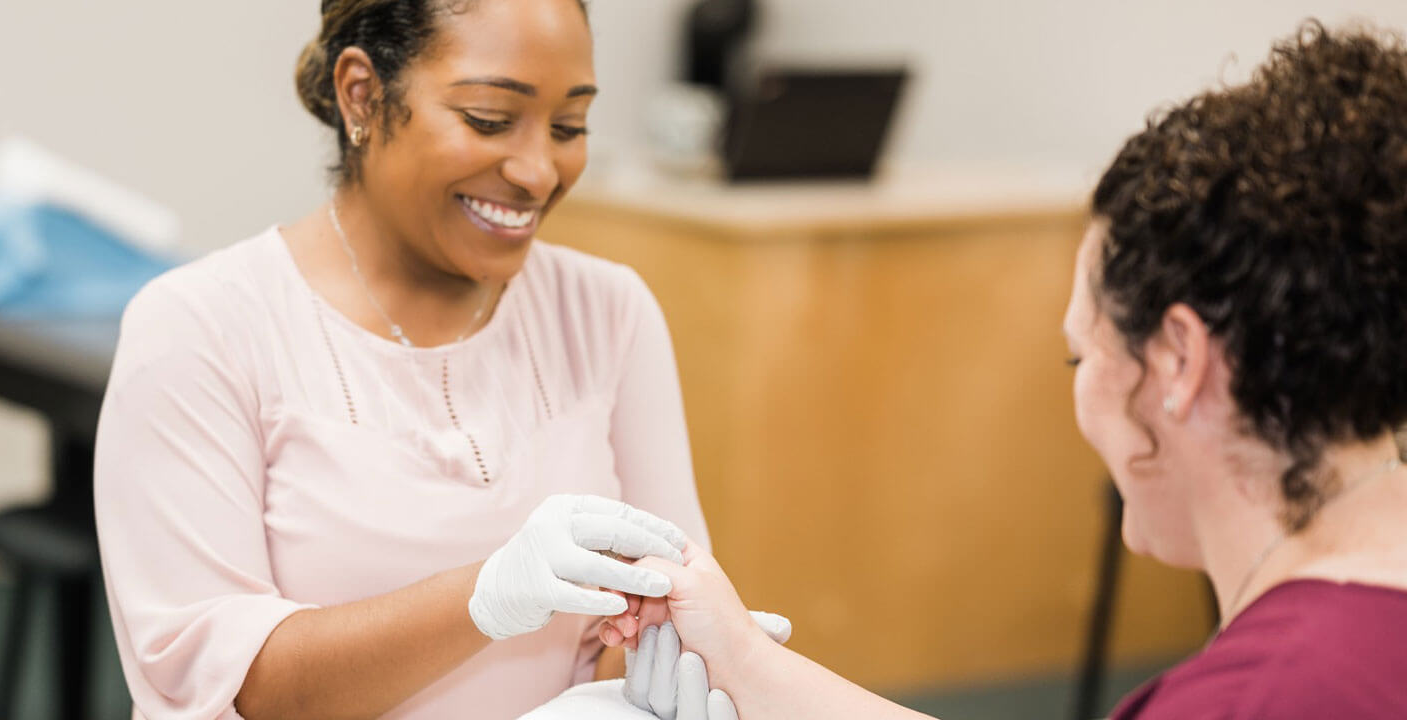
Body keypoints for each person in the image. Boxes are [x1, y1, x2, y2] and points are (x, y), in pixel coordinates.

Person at [602, 22, 1407, 720]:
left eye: (1081, 356)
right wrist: (745, 662)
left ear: (1179, 362)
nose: (1079, 392)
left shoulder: (1263, 696)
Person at [92, 1, 712, 718]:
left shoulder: (606, 311)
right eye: (488, 118)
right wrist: (485, 598)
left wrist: (667, 658)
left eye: (570, 127)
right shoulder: (199, 329)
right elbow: (231, 684)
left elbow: (662, 604)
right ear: (362, 94)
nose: (540, 171)